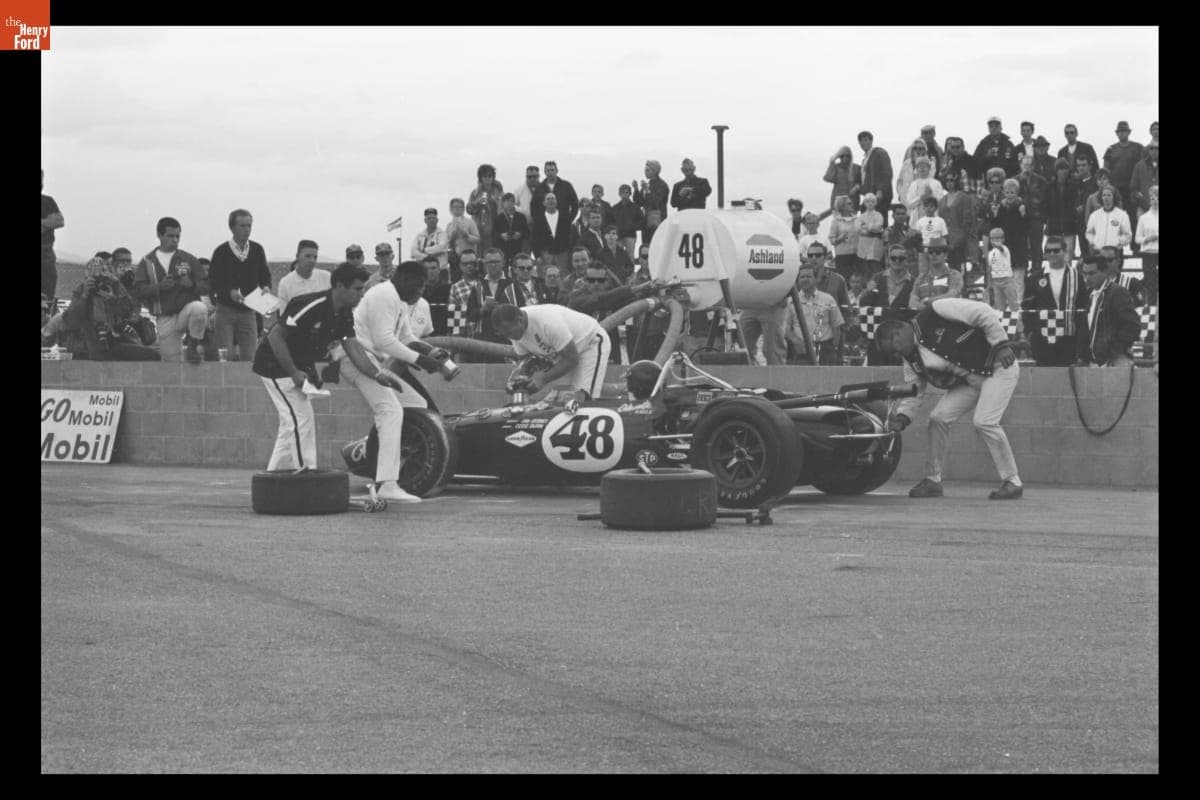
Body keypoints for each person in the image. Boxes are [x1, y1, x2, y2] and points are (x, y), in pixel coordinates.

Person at [877, 297, 1024, 500]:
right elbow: (914, 392)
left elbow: (983, 312)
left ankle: (1013, 481)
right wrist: (901, 419)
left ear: (901, 328)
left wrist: (1001, 344)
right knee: (938, 418)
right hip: (971, 382)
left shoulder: (935, 311)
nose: (895, 353)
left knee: (984, 421)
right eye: (891, 353)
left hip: (1000, 368)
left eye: (893, 346)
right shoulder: (910, 359)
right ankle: (932, 481)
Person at [342, 260, 458, 503]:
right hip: (358, 359)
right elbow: (385, 341)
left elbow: (406, 337)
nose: (420, 293)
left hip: (373, 361)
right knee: (390, 411)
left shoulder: (400, 301)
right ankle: (387, 483)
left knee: (416, 404)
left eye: (423, 289)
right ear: (402, 280)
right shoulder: (384, 295)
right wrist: (422, 361)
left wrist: (431, 351)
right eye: (417, 287)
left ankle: (400, 465)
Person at [252, 262, 371, 472]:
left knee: (292, 422)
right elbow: (276, 337)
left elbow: (352, 346)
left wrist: (378, 374)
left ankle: (274, 476)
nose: (362, 294)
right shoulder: (310, 305)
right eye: (358, 289)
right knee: (300, 418)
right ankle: (305, 474)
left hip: (296, 365)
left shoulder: (344, 313)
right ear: (340, 287)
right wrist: (294, 373)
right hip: (274, 364)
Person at [491, 303, 611, 401]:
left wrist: (542, 379)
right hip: (563, 354)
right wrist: (519, 378)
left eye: (509, 333)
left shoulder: (547, 322)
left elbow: (572, 359)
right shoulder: (512, 328)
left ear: (519, 321)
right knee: (560, 399)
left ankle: (612, 391)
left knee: (582, 397)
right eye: (505, 335)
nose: (509, 337)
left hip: (590, 343)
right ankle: (617, 390)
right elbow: (526, 360)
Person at [132, 216, 209, 363]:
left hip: (186, 312)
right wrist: (159, 287)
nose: (175, 240)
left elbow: (206, 286)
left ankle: (193, 344)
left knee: (199, 309)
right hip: (164, 317)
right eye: (170, 236)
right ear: (159, 235)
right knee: (172, 363)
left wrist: (191, 285)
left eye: (177, 236)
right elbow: (137, 290)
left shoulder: (188, 259)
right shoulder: (148, 261)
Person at [62, 257, 162, 361]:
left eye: (101, 275)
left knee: (153, 355)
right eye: (94, 276)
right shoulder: (81, 290)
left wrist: (112, 296)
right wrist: (84, 296)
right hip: (90, 343)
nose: (98, 280)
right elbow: (71, 321)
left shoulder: (113, 287)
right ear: (87, 276)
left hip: (115, 340)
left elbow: (129, 310)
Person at [209, 208, 272, 362]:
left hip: (249, 311)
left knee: (250, 357)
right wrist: (229, 292)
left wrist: (266, 287)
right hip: (225, 311)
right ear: (232, 228)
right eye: (242, 226)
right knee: (224, 356)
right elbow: (214, 280)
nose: (247, 230)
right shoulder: (221, 251)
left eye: (249, 226)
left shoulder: (257, 250)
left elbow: (265, 275)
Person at [568, 261, 656, 363]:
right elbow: (599, 300)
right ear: (585, 281)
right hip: (582, 356)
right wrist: (635, 288)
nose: (596, 284)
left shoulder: (612, 299)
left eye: (600, 280)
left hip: (608, 356)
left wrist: (648, 291)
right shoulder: (576, 298)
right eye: (591, 280)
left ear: (607, 282)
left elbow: (631, 302)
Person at [1021, 236, 1088, 366]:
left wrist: (1081, 340)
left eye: (1056, 250)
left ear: (1065, 251)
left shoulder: (1077, 277)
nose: (1052, 254)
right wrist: (1031, 332)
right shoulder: (1035, 278)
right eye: (1048, 251)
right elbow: (1027, 308)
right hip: (1043, 338)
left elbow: (1082, 309)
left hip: (1068, 338)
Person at [1076, 254, 1139, 367]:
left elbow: (1132, 325)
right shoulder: (1090, 294)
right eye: (1084, 273)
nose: (1087, 278)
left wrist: (1114, 351)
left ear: (1105, 272)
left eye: (1092, 273)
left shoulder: (1118, 292)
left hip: (1115, 360)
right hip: (1095, 361)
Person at [858, 244, 916, 365]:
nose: (897, 261)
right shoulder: (877, 278)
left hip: (901, 341)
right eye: (893, 258)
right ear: (888, 259)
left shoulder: (914, 282)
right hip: (877, 339)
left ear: (907, 260)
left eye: (901, 258)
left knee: (899, 378)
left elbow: (914, 312)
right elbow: (864, 304)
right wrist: (869, 292)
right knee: (875, 377)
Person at [788, 263, 844, 365]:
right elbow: (785, 328)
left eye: (809, 276)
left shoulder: (828, 299)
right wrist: (796, 342)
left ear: (816, 279)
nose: (805, 279)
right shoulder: (790, 302)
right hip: (801, 350)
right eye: (802, 277)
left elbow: (836, 326)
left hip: (825, 350)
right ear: (797, 280)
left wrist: (832, 348)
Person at [1103, 122, 1145, 237]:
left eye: (1124, 131)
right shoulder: (1111, 149)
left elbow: (1143, 166)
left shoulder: (1138, 148)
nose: (1122, 133)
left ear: (1129, 132)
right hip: (1116, 190)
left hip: (1132, 189)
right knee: (1116, 219)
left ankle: (1135, 246)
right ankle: (1117, 248)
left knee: (1133, 218)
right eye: (1119, 131)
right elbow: (1105, 169)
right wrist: (1107, 187)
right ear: (1117, 133)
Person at [983, 228, 1022, 339]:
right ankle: (1004, 331)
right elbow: (990, 268)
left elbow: (1000, 247)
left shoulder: (1004, 249)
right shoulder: (991, 254)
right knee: (1000, 308)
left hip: (1007, 280)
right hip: (996, 282)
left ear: (1003, 239)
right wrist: (990, 284)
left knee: (1014, 305)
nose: (996, 240)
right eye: (994, 238)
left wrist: (998, 245)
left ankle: (1020, 331)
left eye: (999, 238)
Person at [938, 170, 977, 273]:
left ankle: (960, 287)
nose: (949, 182)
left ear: (957, 181)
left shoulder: (964, 197)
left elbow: (968, 219)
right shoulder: (942, 200)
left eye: (952, 180)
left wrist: (959, 238)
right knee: (949, 268)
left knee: (958, 267)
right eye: (947, 180)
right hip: (946, 238)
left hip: (961, 238)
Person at [910, 237, 963, 311]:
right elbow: (912, 302)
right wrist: (925, 309)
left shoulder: (954, 275)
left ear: (945, 254)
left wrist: (928, 301)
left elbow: (952, 295)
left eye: (938, 252)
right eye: (931, 252)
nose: (934, 255)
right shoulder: (921, 277)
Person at [276, 240, 331, 310]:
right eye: (308, 256)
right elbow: (284, 316)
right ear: (297, 256)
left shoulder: (326, 277)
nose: (312, 260)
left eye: (315, 257)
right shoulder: (285, 283)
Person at [1016, 154, 1048, 271]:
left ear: (1033, 166)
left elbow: (1045, 200)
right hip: (1020, 220)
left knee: (1036, 246)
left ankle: (1037, 269)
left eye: (1029, 165)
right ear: (1020, 165)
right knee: (1022, 246)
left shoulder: (1041, 181)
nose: (1027, 167)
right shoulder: (1014, 181)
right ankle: (1023, 271)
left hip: (1036, 218)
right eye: (1025, 164)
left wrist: (1043, 218)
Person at [1044, 158, 1080, 259]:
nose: (1063, 171)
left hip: (1069, 227)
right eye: (1060, 169)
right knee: (1053, 256)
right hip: (1053, 228)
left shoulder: (1074, 186)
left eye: (1065, 168)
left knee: (1068, 255)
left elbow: (1076, 203)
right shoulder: (1049, 187)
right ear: (1056, 171)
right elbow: (1045, 205)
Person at [858, 131, 894, 227]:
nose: (863, 143)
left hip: (879, 195)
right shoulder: (865, 159)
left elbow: (887, 172)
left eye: (866, 140)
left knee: (880, 223)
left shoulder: (879, 153)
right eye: (861, 141)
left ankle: (883, 242)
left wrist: (881, 190)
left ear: (871, 140)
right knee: (867, 223)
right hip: (869, 196)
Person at [531, 192, 573, 273]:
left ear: (557, 202)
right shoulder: (538, 219)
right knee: (544, 280)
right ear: (544, 203)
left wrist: (569, 254)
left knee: (562, 279)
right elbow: (534, 239)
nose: (551, 201)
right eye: (548, 199)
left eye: (553, 198)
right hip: (545, 256)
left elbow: (570, 236)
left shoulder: (565, 217)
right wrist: (537, 256)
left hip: (562, 255)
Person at [466, 163, 504, 253]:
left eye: (490, 176)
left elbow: (505, 208)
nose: (488, 178)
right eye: (485, 176)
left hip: (496, 227)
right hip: (480, 229)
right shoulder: (475, 192)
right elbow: (469, 209)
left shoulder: (499, 191)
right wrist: (477, 202)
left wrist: (498, 203)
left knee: (496, 252)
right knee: (480, 254)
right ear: (481, 178)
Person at [1085, 187, 1132, 253]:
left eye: (1109, 195)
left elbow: (1127, 235)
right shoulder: (1094, 215)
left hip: (1115, 252)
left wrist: (1118, 243)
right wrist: (1094, 242)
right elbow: (1089, 233)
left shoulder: (1122, 215)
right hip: (1099, 252)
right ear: (1101, 197)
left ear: (1114, 197)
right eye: (1104, 195)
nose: (1106, 197)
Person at [41, 170, 64, 300]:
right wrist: (47, 223)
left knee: (47, 293)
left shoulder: (47, 201)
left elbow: (59, 221)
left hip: (45, 254)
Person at [912, 196, 949, 277]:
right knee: (923, 271)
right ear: (923, 208)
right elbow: (917, 237)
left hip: (936, 249)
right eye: (926, 206)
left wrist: (943, 250)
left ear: (935, 208)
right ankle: (923, 287)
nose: (929, 208)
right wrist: (918, 249)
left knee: (936, 271)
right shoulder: (920, 221)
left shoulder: (940, 221)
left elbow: (944, 236)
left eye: (931, 206)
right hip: (923, 249)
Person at [1134, 185, 1159, 304]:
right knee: (1151, 286)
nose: (1156, 201)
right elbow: (1137, 239)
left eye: (1158, 198)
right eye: (1153, 198)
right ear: (1150, 200)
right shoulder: (1143, 218)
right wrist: (1148, 239)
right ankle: (1153, 311)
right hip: (1148, 254)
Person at [828, 195, 860, 282]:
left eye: (851, 203)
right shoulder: (836, 221)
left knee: (857, 281)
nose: (852, 205)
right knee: (844, 281)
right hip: (843, 257)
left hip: (857, 255)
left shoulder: (857, 219)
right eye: (849, 203)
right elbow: (831, 240)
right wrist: (840, 239)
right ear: (842, 206)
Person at [493, 192, 531, 266]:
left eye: (511, 201)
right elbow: (494, 234)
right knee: (505, 270)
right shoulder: (498, 218)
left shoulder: (521, 217)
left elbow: (527, 233)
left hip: (518, 249)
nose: (509, 203)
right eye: (507, 201)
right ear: (503, 203)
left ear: (514, 203)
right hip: (503, 250)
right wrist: (502, 235)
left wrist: (520, 234)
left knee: (517, 269)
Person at [854, 193, 886, 278]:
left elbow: (878, 226)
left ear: (875, 203)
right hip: (863, 242)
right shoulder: (861, 216)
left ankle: (879, 282)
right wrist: (867, 228)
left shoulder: (878, 215)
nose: (870, 203)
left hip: (874, 243)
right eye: (867, 201)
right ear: (864, 203)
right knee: (865, 265)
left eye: (872, 201)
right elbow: (857, 228)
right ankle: (866, 284)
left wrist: (866, 226)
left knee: (874, 264)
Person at [410, 207, 449, 273]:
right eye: (429, 218)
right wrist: (427, 257)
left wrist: (424, 250)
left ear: (437, 220)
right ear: (425, 220)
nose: (431, 220)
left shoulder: (442, 234)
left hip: (440, 270)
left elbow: (441, 247)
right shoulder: (420, 236)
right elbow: (413, 252)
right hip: (424, 271)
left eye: (433, 218)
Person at [611, 184, 645, 257]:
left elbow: (642, 221)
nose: (624, 195)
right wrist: (614, 230)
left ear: (630, 194)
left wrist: (633, 226)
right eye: (622, 192)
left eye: (626, 192)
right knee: (617, 256)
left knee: (630, 257)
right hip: (618, 236)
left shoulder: (635, 207)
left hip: (630, 236)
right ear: (619, 194)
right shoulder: (615, 208)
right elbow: (611, 221)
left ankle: (630, 269)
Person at [824, 146, 862, 211]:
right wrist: (832, 162)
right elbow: (828, 178)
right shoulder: (836, 167)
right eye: (842, 156)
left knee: (852, 220)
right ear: (839, 157)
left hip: (852, 202)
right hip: (838, 202)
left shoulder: (856, 168)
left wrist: (856, 187)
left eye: (848, 156)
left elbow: (862, 182)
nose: (845, 158)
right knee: (838, 220)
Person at [421, 255, 451, 335]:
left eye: (433, 268)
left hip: (444, 333)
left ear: (439, 270)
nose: (430, 271)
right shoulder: (417, 292)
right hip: (423, 333)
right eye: (427, 269)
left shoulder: (449, 289)